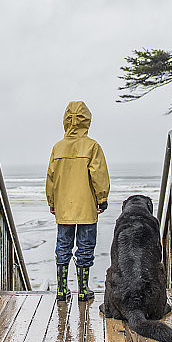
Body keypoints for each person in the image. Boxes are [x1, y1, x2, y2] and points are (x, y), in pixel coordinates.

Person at [46, 101, 110, 302]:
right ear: (87, 120)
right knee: (85, 247)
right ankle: (83, 290)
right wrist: (102, 198)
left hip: (64, 207)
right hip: (86, 207)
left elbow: (51, 178)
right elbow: (98, 175)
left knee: (63, 246)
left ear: (66, 120)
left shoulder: (58, 147)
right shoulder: (92, 146)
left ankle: (61, 290)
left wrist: (52, 202)